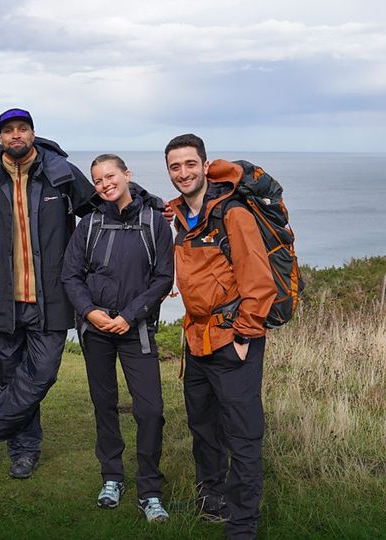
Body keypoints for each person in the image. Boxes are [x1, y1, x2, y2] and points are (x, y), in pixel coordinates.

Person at [0, 108, 95, 478]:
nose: (16, 135)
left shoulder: (60, 172)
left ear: (33, 133)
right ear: (0, 137)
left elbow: (98, 208)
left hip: (50, 296)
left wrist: (143, 201)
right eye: (8, 131)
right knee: (10, 380)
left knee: (42, 375)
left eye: (22, 129)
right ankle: (24, 451)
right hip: (0, 297)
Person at [164, 134, 275, 539]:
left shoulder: (232, 215)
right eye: (175, 167)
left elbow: (259, 281)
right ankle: (211, 499)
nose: (183, 173)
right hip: (196, 341)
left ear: (205, 165)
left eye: (190, 164)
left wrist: (245, 335)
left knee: (242, 433)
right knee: (204, 426)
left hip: (232, 340)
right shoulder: (177, 216)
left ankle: (242, 524)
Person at [61, 154, 174, 522]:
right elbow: (71, 276)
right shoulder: (89, 223)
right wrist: (90, 312)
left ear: (127, 175)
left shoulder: (154, 221)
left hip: (136, 329)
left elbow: (162, 278)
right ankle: (111, 477)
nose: (105, 184)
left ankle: (150, 490)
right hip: (96, 330)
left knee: (151, 411)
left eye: (110, 176)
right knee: (104, 405)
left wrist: (129, 316)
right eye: (97, 180)